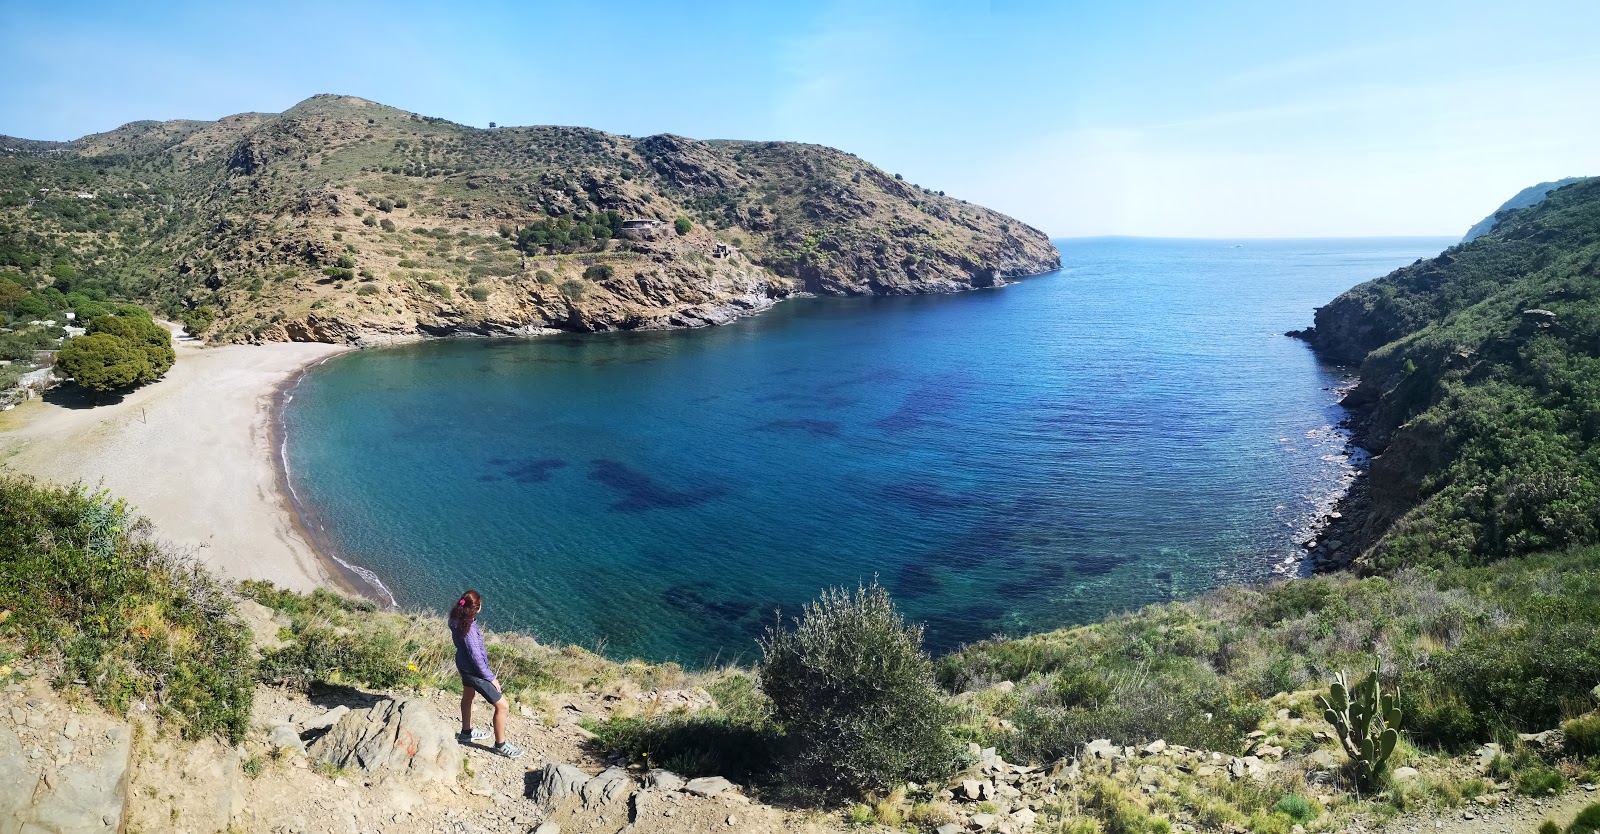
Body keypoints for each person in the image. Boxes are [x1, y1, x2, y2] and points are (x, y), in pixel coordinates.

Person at [448, 590, 524, 759]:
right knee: (502, 706)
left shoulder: (456, 618)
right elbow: (477, 658)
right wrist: (491, 678)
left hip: (463, 665)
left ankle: (466, 733)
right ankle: (500, 745)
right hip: (475, 672)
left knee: (468, 696)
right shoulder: (469, 631)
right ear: (477, 608)